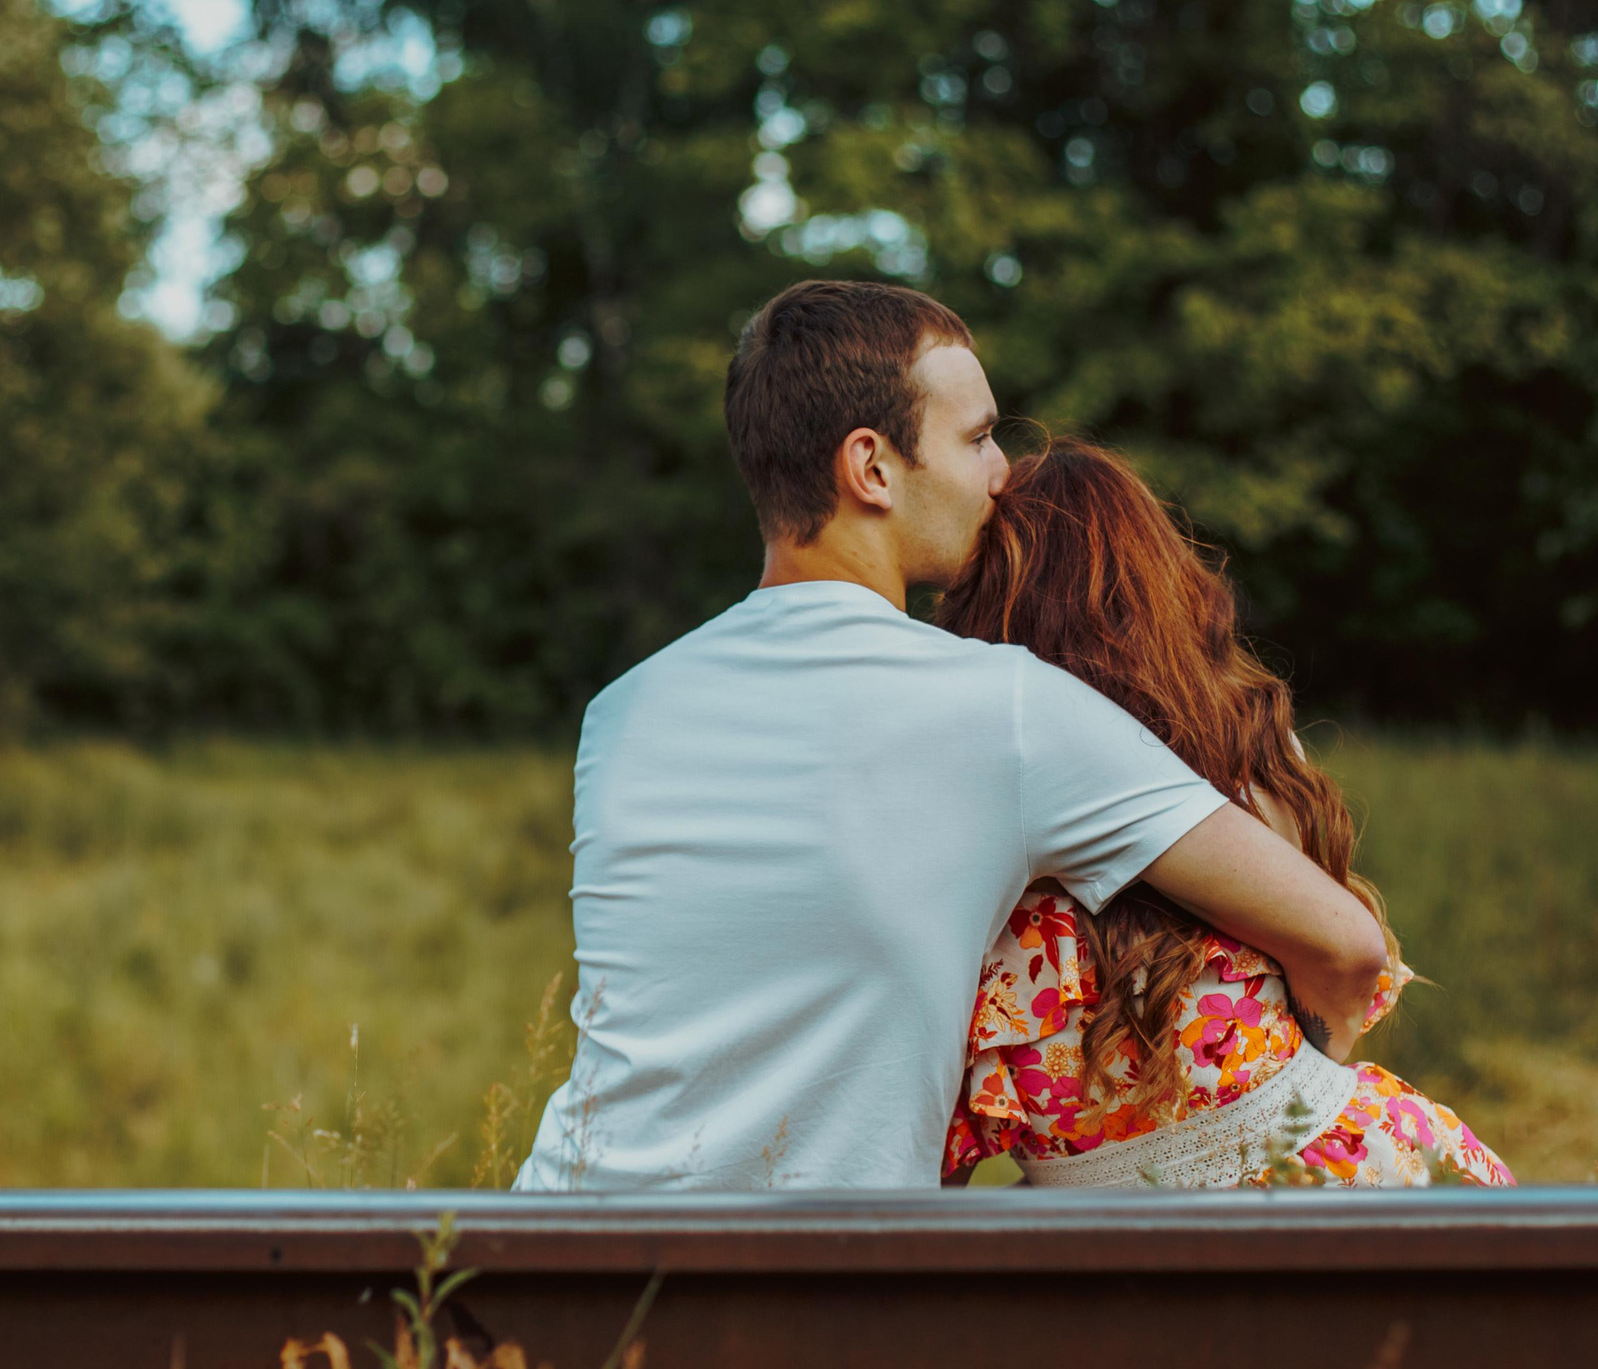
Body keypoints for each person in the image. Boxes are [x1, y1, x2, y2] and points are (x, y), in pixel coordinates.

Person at [511, 281, 1387, 1191]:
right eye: (975, 439)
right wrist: (1292, 1133)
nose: (1002, 472)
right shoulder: (1008, 710)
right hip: (806, 1301)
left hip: (559, 1250)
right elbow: (1345, 945)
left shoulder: (622, 711)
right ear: (873, 468)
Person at [936, 439, 1512, 1190]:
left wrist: (1265, 1125)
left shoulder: (1226, 760)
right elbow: (1341, 965)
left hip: (1294, 1179)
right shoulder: (1247, 757)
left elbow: (1347, 950)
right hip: (1353, 1168)